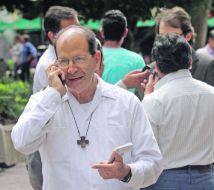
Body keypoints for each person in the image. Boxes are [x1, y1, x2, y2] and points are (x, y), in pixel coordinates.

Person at [11, 25, 162, 190]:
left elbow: (153, 163)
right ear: (55, 65)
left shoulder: (126, 103)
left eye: (78, 59)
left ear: (96, 59)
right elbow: (22, 143)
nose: (71, 69)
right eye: (64, 61)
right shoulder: (44, 102)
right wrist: (53, 95)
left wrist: (126, 172)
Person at [155, 7, 214, 183]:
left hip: (199, 169)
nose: (167, 41)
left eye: (172, 35)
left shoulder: (207, 65)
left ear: (187, 36)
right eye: (161, 36)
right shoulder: (155, 66)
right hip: (163, 168)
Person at [141, 33, 214, 190]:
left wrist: (147, 97)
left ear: (156, 66)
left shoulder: (154, 100)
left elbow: (147, 149)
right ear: (190, 62)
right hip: (205, 177)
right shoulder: (212, 93)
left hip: (166, 178)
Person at [29, 6, 79, 190]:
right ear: (52, 36)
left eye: (78, 28)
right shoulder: (51, 66)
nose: (77, 34)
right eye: (69, 30)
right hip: (51, 150)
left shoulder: (64, 57)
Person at [101, 9, 145, 92]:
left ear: (102, 32)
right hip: (128, 105)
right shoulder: (137, 60)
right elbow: (143, 92)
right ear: (125, 32)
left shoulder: (93, 57)